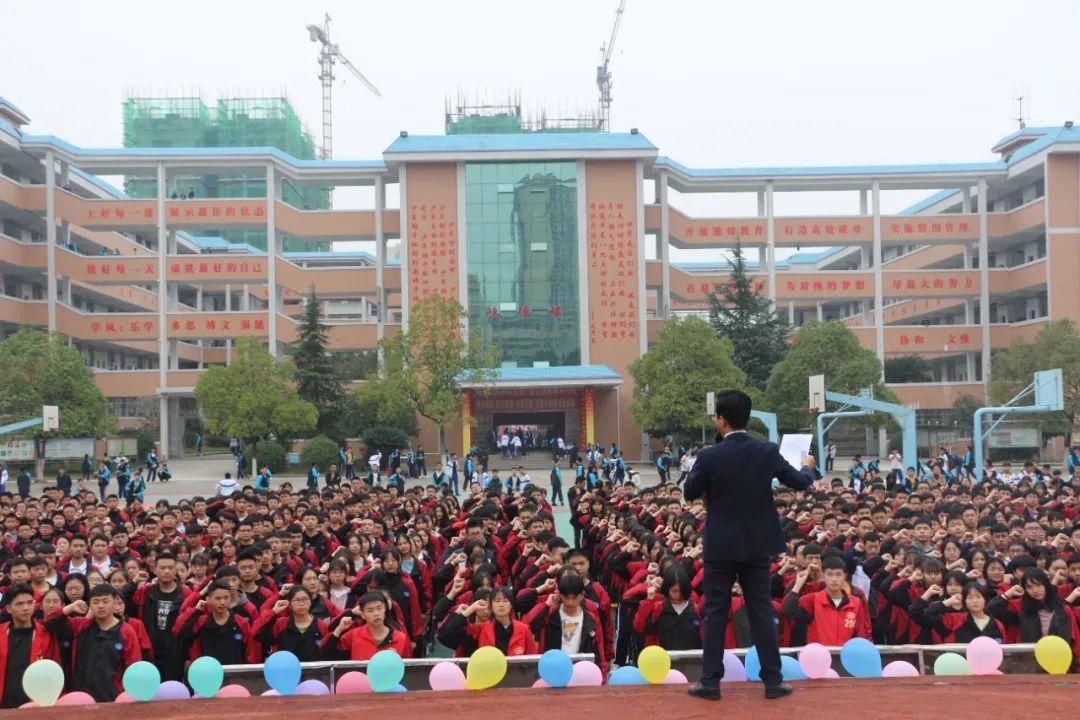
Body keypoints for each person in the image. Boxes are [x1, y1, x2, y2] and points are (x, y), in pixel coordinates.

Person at [684, 389, 815, 701]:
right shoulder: (766, 451)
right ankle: (772, 681)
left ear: (721, 419)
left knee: (716, 611)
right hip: (757, 544)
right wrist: (808, 465)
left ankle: (710, 682)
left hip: (720, 546)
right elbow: (799, 481)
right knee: (760, 609)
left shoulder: (709, 455)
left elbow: (690, 491)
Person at [45, 585, 142, 702]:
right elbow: (50, 622)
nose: (100, 606)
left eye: (105, 601)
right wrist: (70, 607)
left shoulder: (126, 631)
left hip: (112, 698)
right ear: (90, 605)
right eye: (95, 602)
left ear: (115, 603)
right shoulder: (81, 625)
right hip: (80, 697)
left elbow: (133, 666)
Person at [782, 556, 872, 644]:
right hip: (818, 656)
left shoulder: (856, 603)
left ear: (845, 576)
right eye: (829, 574)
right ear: (823, 575)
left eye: (838, 574)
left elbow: (861, 634)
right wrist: (798, 584)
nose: (834, 579)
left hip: (845, 656)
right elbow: (788, 610)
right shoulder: (812, 600)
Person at [0, 583, 60, 708]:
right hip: (4, 703)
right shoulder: (1, 632)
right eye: (19, 604)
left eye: (29, 602)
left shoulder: (46, 633)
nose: (26, 608)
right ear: (9, 608)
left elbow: (54, 669)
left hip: (35, 703)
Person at [322, 591, 411, 660]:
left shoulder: (400, 638)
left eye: (379, 608)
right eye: (370, 610)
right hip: (360, 683)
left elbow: (410, 669)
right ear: (363, 614)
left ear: (385, 609)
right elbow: (327, 655)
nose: (376, 613)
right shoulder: (353, 635)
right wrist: (339, 629)